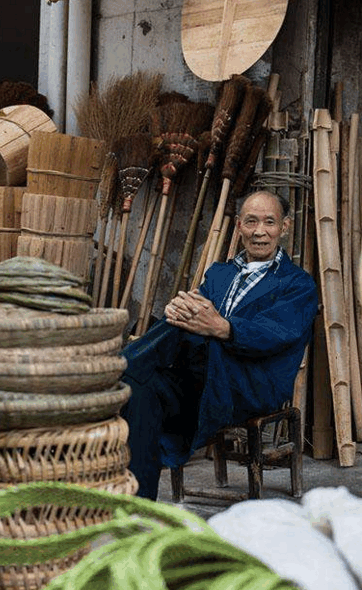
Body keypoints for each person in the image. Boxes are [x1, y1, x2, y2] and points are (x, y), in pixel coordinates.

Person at [120, 190, 318, 500]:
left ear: (284, 227)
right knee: (141, 387)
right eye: (251, 222)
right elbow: (196, 315)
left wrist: (223, 327)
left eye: (269, 222)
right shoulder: (219, 274)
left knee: (179, 335)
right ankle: (138, 506)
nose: (259, 231)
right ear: (239, 226)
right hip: (203, 378)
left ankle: (117, 365)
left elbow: (274, 334)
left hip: (250, 383)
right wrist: (178, 309)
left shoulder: (297, 284)